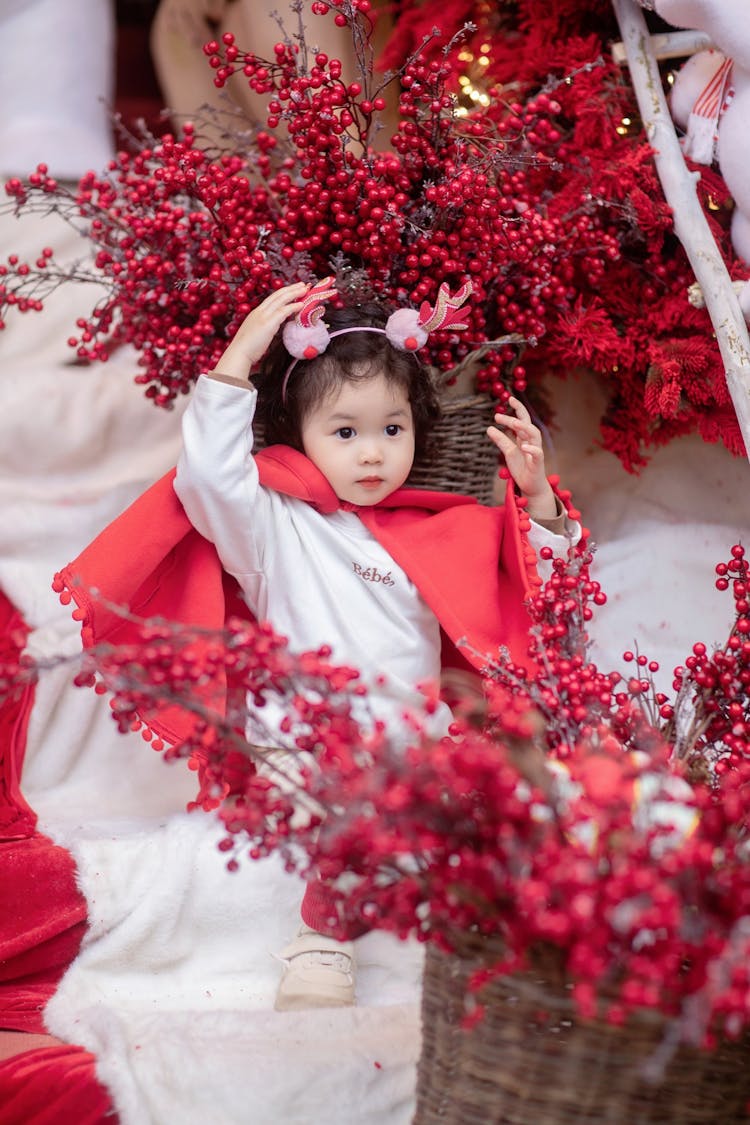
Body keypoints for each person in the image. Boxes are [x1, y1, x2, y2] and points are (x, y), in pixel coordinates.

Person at [172, 277, 581, 1010]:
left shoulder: (442, 528)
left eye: (392, 429)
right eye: (344, 431)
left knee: (521, 790)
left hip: (417, 748)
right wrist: (237, 359)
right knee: (355, 794)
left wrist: (539, 501)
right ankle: (322, 939)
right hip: (307, 750)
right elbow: (206, 478)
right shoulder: (274, 528)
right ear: (300, 435)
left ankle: (524, 944)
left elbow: (539, 593)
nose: (371, 453)